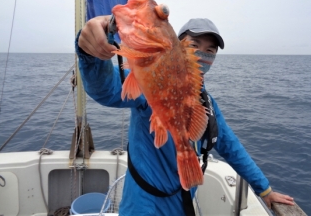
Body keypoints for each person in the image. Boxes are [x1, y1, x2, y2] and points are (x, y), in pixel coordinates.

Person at [76, 16, 294, 216]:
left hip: (182, 206)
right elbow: (107, 89)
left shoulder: (206, 103)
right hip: (143, 205)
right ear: (176, 48)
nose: (202, 55)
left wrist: (264, 189)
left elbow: (230, 146)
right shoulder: (153, 83)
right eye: (193, 45)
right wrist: (91, 55)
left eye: (210, 50)